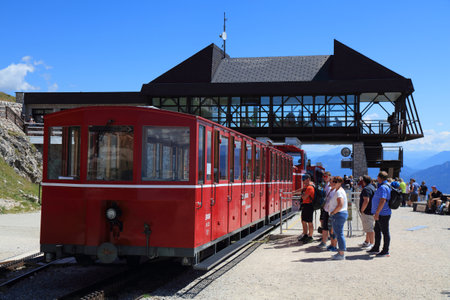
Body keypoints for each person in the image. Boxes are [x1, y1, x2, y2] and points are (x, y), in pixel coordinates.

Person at [367, 171, 391, 257]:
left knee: (385, 231)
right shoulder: (385, 186)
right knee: (377, 230)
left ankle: (385, 250)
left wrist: (377, 212)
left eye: (378, 177)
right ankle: (376, 247)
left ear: (380, 178)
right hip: (382, 213)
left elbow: (382, 200)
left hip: (382, 213)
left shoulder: (383, 187)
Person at [327, 176, 348, 260]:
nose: (332, 183)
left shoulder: (339, 192)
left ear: (339, 183)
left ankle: (341, 253)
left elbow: (340, 204)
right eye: (331, 181)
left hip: (338, 214)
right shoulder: (338, 191)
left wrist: (333, 212)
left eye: (335, 182)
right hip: (339, 214)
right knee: (338, 233)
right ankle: (340, 252)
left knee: (339, 234)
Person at [294, 174, 315, 244]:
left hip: (309, 206)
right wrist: (293, 192)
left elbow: (304, 197)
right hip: (305, 205)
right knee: (303, 221)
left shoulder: (310, 188)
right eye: (302, 179)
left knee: (309, 222)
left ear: (308, 179)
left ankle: (310, 236)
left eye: (304, 179)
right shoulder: (306, 187)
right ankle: (305, 234)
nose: (303, 180)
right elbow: (302, 190)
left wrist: (301, 195)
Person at [359, 175, 376, 249]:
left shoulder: (366, 189)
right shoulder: (372, 187)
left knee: (369, 228)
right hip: (372, 210)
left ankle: (372, 243)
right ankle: (367, 241)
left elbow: (366, 200)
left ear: (363, 181)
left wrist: (362, 209)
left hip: (367, 211)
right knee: (368, 227)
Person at [317, 172, 332, 249]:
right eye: (324, 176)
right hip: (324, 207)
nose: (324, 177)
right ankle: (324, 237)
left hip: (327, 208)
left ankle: (326, 239)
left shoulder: (329, 186)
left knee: (326, 224)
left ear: (329, 177)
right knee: (322, 221)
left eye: (326, 176)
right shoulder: (324, 185)